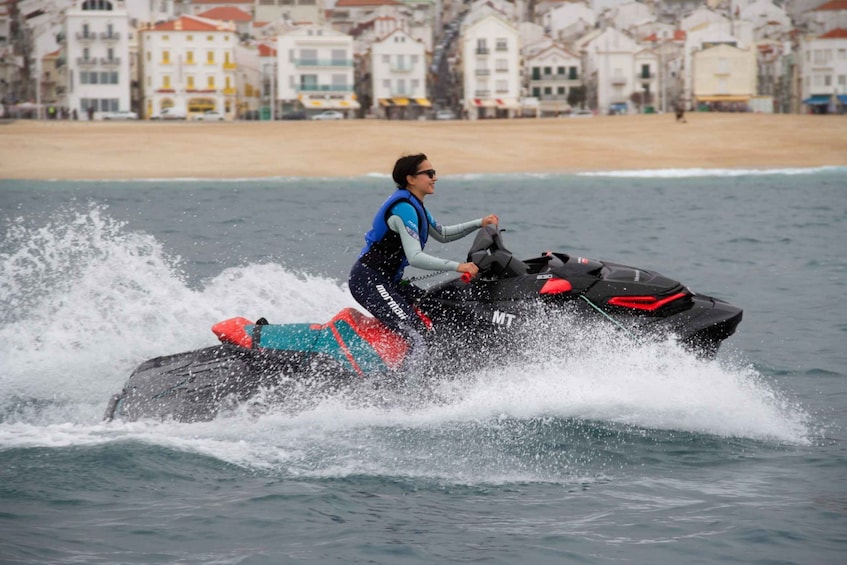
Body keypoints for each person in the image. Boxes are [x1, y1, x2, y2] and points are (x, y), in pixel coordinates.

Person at [348, 153, 498, 372]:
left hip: (389, 281)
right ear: (411, 179)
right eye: (428, 173)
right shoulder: (403, 209)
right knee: (416, 333)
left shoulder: (414, 204)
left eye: (434, 172)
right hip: (370, 282)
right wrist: (458, 266)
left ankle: (446, 370)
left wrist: (480, 223)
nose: (434, 177)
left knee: (435, 308)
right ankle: (409, 392)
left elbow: (443, 234)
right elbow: (415, 257)